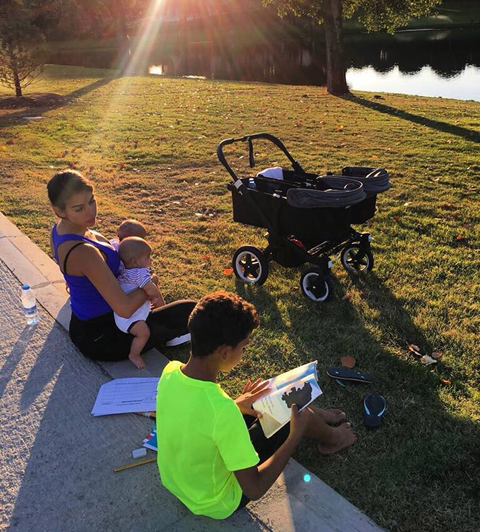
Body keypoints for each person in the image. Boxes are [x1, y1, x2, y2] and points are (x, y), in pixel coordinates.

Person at [156, 291, 357, 520]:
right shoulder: (223, 412)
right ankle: (334, 438)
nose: (244, 352)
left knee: (265, 404)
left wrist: (237, 404)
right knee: (295, 413)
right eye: (244, 347)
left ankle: (316, 415)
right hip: (217, 501)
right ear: (225, 353)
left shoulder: (170, 371)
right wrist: (294, 436)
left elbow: (196, 416)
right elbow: (254, 488)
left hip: (178, 483)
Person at [47, 169, 196, 362]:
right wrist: (150, 283)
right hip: (102, 337)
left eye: (92, 201)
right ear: (59, 211)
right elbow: (124, 309)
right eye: (79, 208)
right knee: (191, 310)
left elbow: (76, 276)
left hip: (87, 324)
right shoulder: (83, 251)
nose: (90, 211)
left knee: (180, 312)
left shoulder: (59, 230)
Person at [114, 237, 165, 369]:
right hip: (130, 318)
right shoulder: (139, 273)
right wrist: (155, 296)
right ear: (135, 261)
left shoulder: (125, 271)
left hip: (124, 313)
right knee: (143, 333)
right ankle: (134, 354)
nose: (151, 260)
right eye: (148, 257)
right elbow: (150, 287)